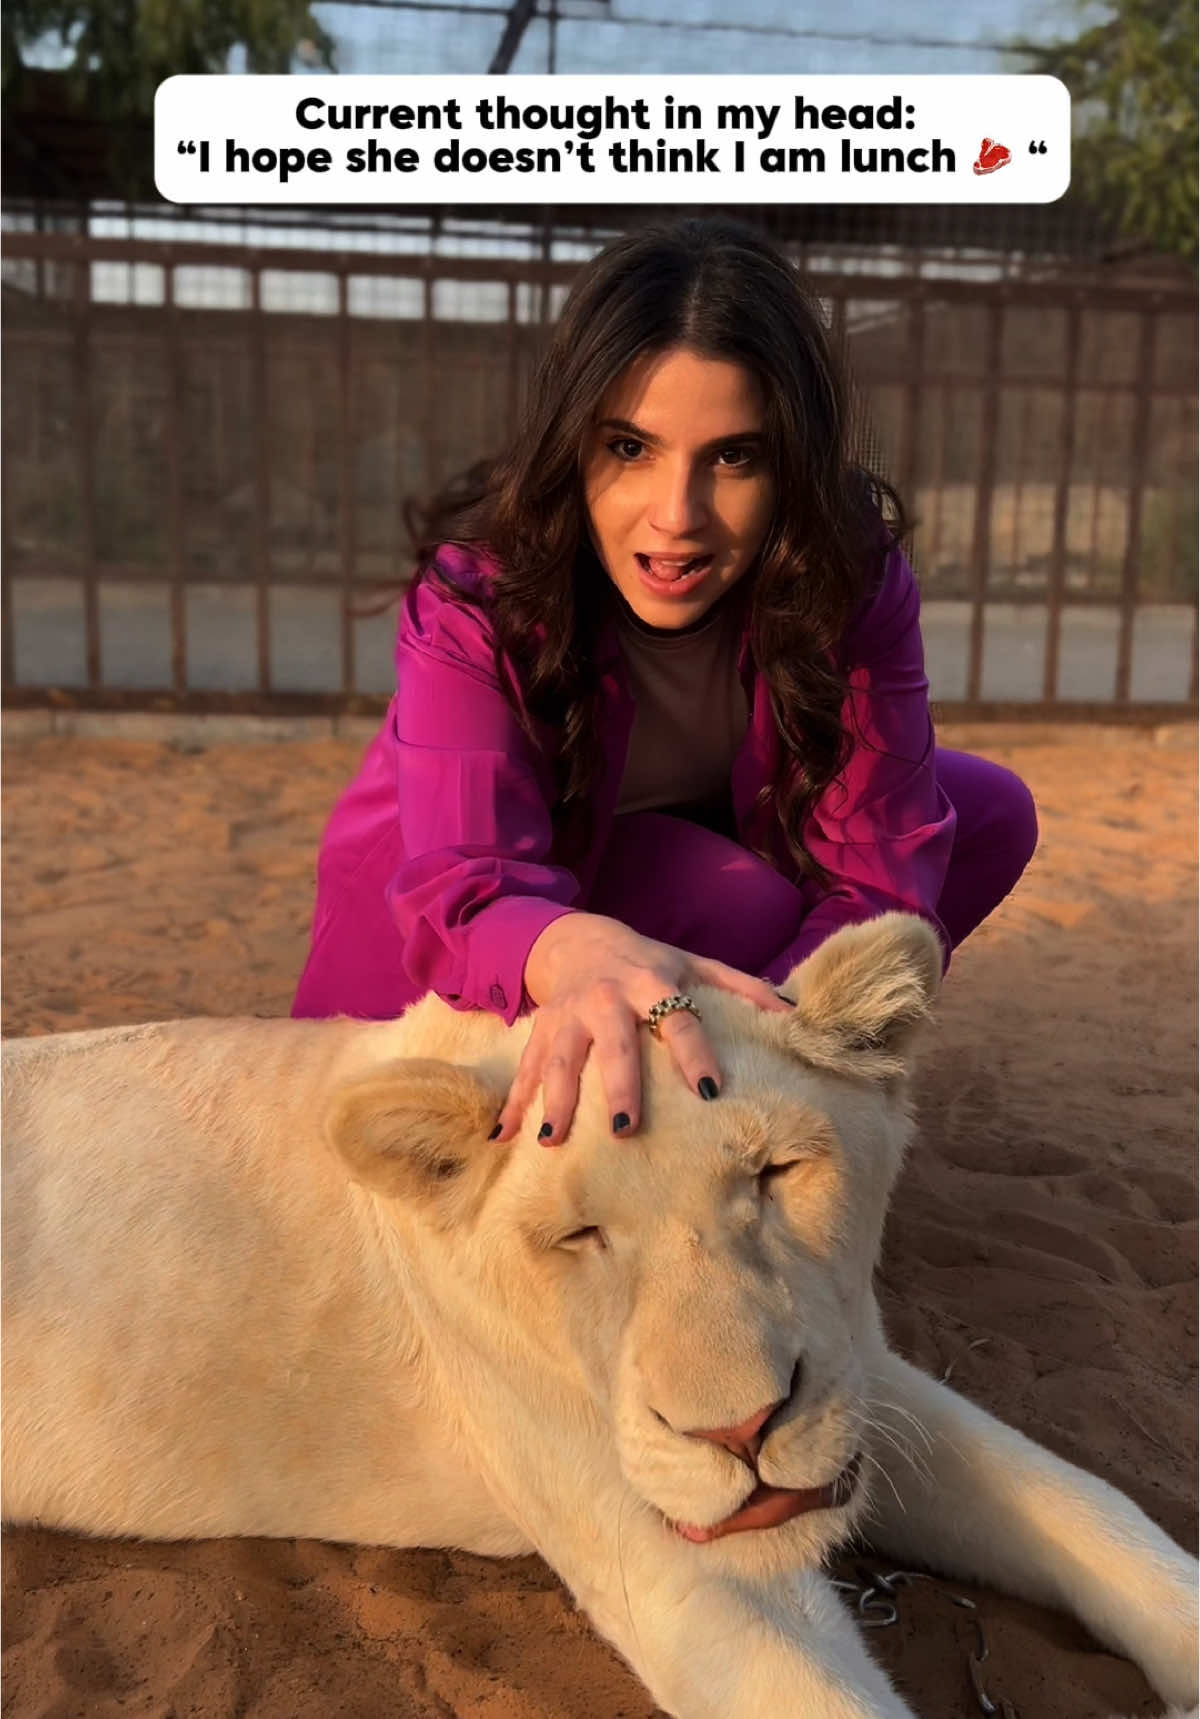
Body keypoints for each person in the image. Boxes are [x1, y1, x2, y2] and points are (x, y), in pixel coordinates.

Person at [292, 216, 1038, 1147]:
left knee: (987, 811)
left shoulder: (846, 576)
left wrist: (784, 1027)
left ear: (791, 464)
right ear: (575, 443)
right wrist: (568, 950)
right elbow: (469, 885)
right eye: (630, 448)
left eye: (734, 456)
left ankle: (716, 1091)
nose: (676, 518)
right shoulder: (482, 590)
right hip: (446, 901)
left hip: (665, 862)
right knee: (741, 901)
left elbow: (882, 877)